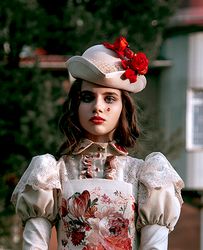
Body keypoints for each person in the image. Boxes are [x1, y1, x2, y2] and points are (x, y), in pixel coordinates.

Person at [11, 36, 184, 250]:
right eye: (87, 97)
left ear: (124, 107)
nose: (98, 107)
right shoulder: (52, 174)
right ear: (76, 104)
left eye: (109, 98)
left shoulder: (145, 175)